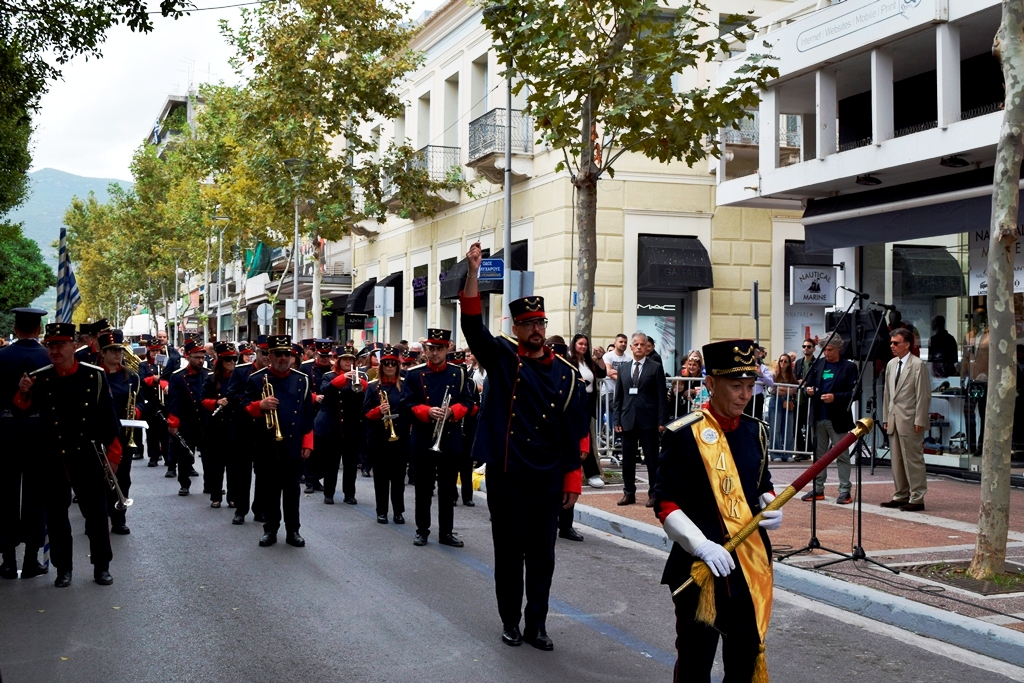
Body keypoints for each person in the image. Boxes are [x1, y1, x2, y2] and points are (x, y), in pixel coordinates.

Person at [459, 242, 589, 651]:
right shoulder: (501, 356)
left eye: (540, 322)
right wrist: (473, 273)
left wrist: (572, 480)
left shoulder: (567, 374)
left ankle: (537, 625)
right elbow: (472, 325)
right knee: (509, 554)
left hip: (547, 477)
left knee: (543, 557)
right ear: (515, 328)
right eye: (527, 323)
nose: (535, 329)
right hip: (507, 473)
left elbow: (574, 431)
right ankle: (510, 621)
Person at [652, 339, 781, 683]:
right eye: (736, 386)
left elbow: (761, 483)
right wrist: (700, 545)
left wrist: (770, 503)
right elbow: (665, 503)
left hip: (748, 566)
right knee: (696, 663)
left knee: (744, 660)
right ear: (711, 383)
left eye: (750, 386)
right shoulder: (684, 433)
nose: (745, 395)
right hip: (700, 570)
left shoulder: (755, 431)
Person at [14, 322, 123, 587]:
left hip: (87, 455)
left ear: (74, 346)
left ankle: (101, 567)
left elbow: (109, 419)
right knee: (56, 518)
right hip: (54, 457)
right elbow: (22, 412)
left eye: (60, 345)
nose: (54, 351)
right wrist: (23, 392)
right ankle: (63, 568)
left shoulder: (94, 376)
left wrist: (113, 456)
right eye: (50, 345)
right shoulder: (40, 378)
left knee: (96, 516)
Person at [399, 328, 473, 547]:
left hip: (449, 437)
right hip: (423, 438)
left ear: (447, 349)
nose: (435, 353)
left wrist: (452, 411)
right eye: (431, 348)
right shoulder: (415, 374)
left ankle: (446, 532)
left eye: (439, 349)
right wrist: (427, 411)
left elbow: (468, 402)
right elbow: (405, 404)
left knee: (447, 489)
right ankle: (422, 530)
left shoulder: (459, 373)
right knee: (423, 488)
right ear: (425, 349)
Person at [244, 334, 314, 548]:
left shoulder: (302, 379)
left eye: (286, 354)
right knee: (270, 490)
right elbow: (244, 407)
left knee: (292, 490)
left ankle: (293, 530)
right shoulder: (256, 378)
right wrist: (260, 405)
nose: (283, 358)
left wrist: (307, 442)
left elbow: (307, 413)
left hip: (292, 443)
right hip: (267, 444)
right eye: (278, 354)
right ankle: (270, 529)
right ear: (270, 356)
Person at [0, 308, 50, 579]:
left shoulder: (2, 356)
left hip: (6, 432)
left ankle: (8, 561)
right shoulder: (48, 357)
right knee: (35, 496)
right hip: (38, 433)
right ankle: (31, 560)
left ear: (16, 329)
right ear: (39, 329)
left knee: (5, 495)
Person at [560, 333, 606, 540]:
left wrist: (584, 445)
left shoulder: (579, 384)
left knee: (570, 480)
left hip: (571, 437)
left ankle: (566, 526)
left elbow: (581, 421)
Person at [802, 337, 859, 504]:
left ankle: (845, 490)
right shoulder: (818, 364)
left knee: (842, 455)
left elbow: (856, 393)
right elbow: (807, 386)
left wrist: (835, 397)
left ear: (838, 349)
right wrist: (808, 391)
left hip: (838, 418)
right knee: (819, 456)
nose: (827, 353)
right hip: (818, 416)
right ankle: (818, 488)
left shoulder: (849, 367)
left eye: (830, 350)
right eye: (825, 350)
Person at [613, 332, 667, 507]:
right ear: (631, 347)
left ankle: (654, 493)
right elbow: (618, 397)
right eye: (635, 344)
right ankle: (629, 493)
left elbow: (661, 396)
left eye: (642, 344)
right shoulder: (623, 368)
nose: (638, 347)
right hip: (627, 419)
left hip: (648, 420)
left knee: (652, 459)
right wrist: (617, 420)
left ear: (647, 347)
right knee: (628, 460)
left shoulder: (655, 367)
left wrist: (661, 421)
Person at [881, 328, 931, 511]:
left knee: (913, 459)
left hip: (910, 419)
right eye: (891, 343)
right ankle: (901, 494)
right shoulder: (891, 364)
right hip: (894, 418)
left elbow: (923, 394)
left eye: (896, 343)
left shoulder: (917, 365)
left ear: (907, 344)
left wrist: (920, 419)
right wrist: (886, 417)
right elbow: (888, 394)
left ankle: (917, 497)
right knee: (897, 460)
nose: (892, 346)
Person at [96, 330, 141, 535]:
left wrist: (137, 410)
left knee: (122, 478)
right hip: (100, 433)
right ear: (103, 353)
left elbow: (142, 401)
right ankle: (96, 517)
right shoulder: (95, 375)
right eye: (112, 350)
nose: (117, 354)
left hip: (124, 433)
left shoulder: (131, 376)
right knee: (99, 478)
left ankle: (119, 518)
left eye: (120, 350)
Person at [316, 344, 368, 505]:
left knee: (350, 464)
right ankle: (329, 493)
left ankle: (349, 494)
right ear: (338, 361)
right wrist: (342, 379)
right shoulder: (329, 376)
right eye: (344, 359)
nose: (348, 362)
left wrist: (361, 383)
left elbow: (367, 396)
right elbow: (325, 391)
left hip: (352, 427)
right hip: (333, 426)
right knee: (331, 463)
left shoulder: (361, 376)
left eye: (350, 359)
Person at [225, 336, 269, 524]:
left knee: (263, 472)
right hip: (243, 427)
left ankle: (259, 509)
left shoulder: (274, 373)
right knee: (242, 472)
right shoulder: (241, 371)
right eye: (264, 353)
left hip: (265, 430)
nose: (267, 357)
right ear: (256, 353)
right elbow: (231, 394)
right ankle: (240, 509)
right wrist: (253, 404)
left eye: (271, 353)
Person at [363, 345, 409, 524]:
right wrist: (378, 411)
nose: (390, 367)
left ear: (398, 366)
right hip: (379, 438)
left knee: (398, 477)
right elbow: (365, 412)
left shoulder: (404, 385)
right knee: (381, 477)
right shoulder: (373, 387)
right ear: (381, 366)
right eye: (387, 363)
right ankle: (381, 511)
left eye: (393, 363)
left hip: (400, 436)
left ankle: (398, 511)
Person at [166, 340, 209, 496]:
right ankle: (184, 483)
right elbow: (173, 401)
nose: (200, 361)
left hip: (205, 420)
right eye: (197, 357)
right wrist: (173, 422)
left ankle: (210, 484)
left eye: (202, 357)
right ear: (188, 357)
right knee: (184, 454)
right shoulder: (178, 376)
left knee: (209, 455)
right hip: (186, 420)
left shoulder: (208, 374)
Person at [201, 342, 237, 508]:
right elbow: (202, 400)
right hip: (216, 426)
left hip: (233, 425)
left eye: (234, 359)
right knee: (216, 463)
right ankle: (216, 496)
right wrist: (216, 402)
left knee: (233, 464)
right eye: (228, 359)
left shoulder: (238, 378)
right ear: (221, 360)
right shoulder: (211, 378)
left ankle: (233, 497)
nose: (232, 362)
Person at [300, 340, 335, 494]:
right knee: (310, 448)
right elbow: (300, 388)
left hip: (326, 412)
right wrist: (314, 397)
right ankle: (309, 480)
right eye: (322, 356)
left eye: (327, 356)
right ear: (316, 354)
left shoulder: (333, 368)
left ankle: (317, 478)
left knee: (323, 451)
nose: (325, 359)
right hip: (311, 410)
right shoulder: (306, 367)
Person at [138, 335, 169, 468]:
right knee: (151, 431)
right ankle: (153, 456)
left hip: (164, 402)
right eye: (153, 351)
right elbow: (141, 380)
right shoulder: (144, 365)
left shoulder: (165, 363)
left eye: (157, 350)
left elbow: (170, 377)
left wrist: (165, 384)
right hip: (150, 402)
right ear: (149, 351)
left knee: (165, 431)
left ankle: (168, 456)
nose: (155, 353)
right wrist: (153, 379)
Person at [768, 353, 798, 462]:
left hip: (788, 402)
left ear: (789, 363)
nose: (782, 363)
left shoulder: (791, 376)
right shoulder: (774, 374)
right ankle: (775, 454)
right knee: (775, 428)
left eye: (785, 361)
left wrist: (784, 389)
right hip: (775, 401)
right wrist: (787, 389)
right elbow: (773, 389)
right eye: (781, 361)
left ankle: (788, 453)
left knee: (788, 428)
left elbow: (794, 390)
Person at [750, 345, 774, 420]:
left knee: (756, 419)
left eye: (754, 352)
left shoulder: (763, 367)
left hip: (757, 397)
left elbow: (771, 383)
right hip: (744, 396)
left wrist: (761, 374)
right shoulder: (743, 366)